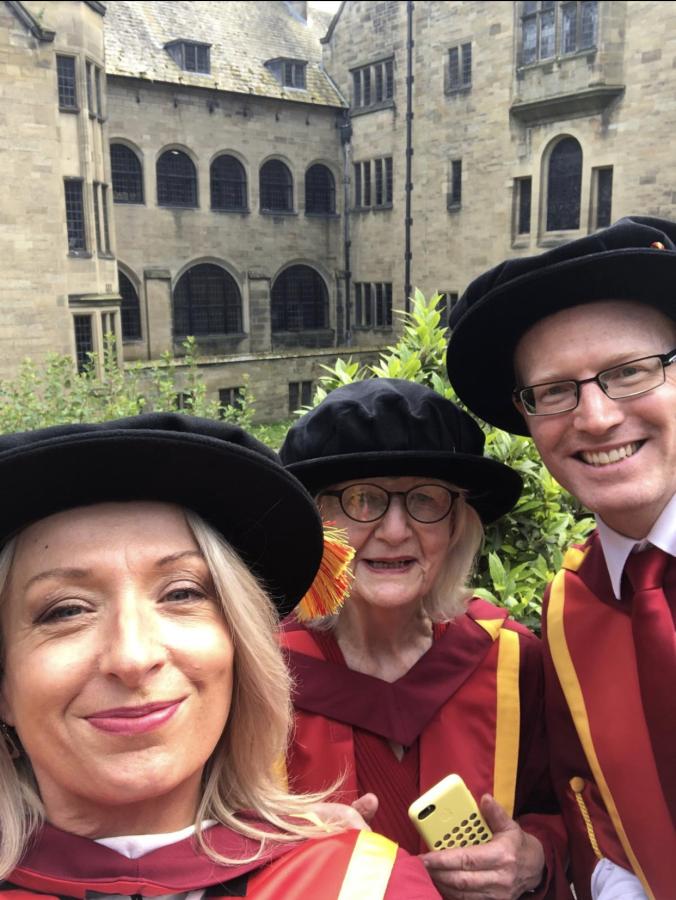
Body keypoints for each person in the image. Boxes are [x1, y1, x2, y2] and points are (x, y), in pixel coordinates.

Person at [0, 413, 438, 899]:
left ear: (239, 648)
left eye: (182, 593)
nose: (132, 655)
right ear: (4, 682)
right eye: (66, 610)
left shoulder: (360, 886)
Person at [445, 215, 676, 900]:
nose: (597, 417)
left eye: (629, 372)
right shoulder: (573, 606)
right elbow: (599, 805)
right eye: (554, 391)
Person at [279, 379, 572, 899]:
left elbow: (567, 812)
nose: (395, 531)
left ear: (457, 525)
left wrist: (535, 856)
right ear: (318, 520)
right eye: (362, 499)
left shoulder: (511, 661)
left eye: (426, 499)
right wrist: (271, 846)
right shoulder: (257, 673)